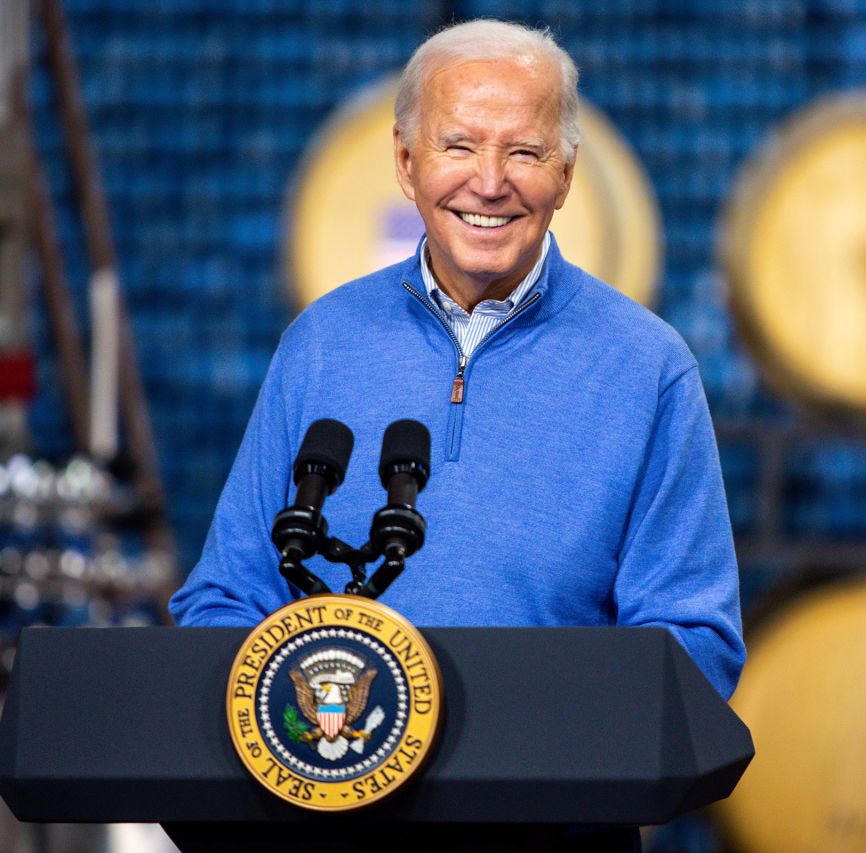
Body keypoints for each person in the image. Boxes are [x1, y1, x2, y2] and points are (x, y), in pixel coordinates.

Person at [170, 20, 745, 704]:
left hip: (556, 802)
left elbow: (697, 643)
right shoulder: (320, 342)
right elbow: (225, 599)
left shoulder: (649, 367)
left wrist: (534, 726)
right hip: (338, 791)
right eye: (460, 146)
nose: (491, 182)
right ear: (407, 162)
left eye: (525, 152)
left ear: (566, 174)